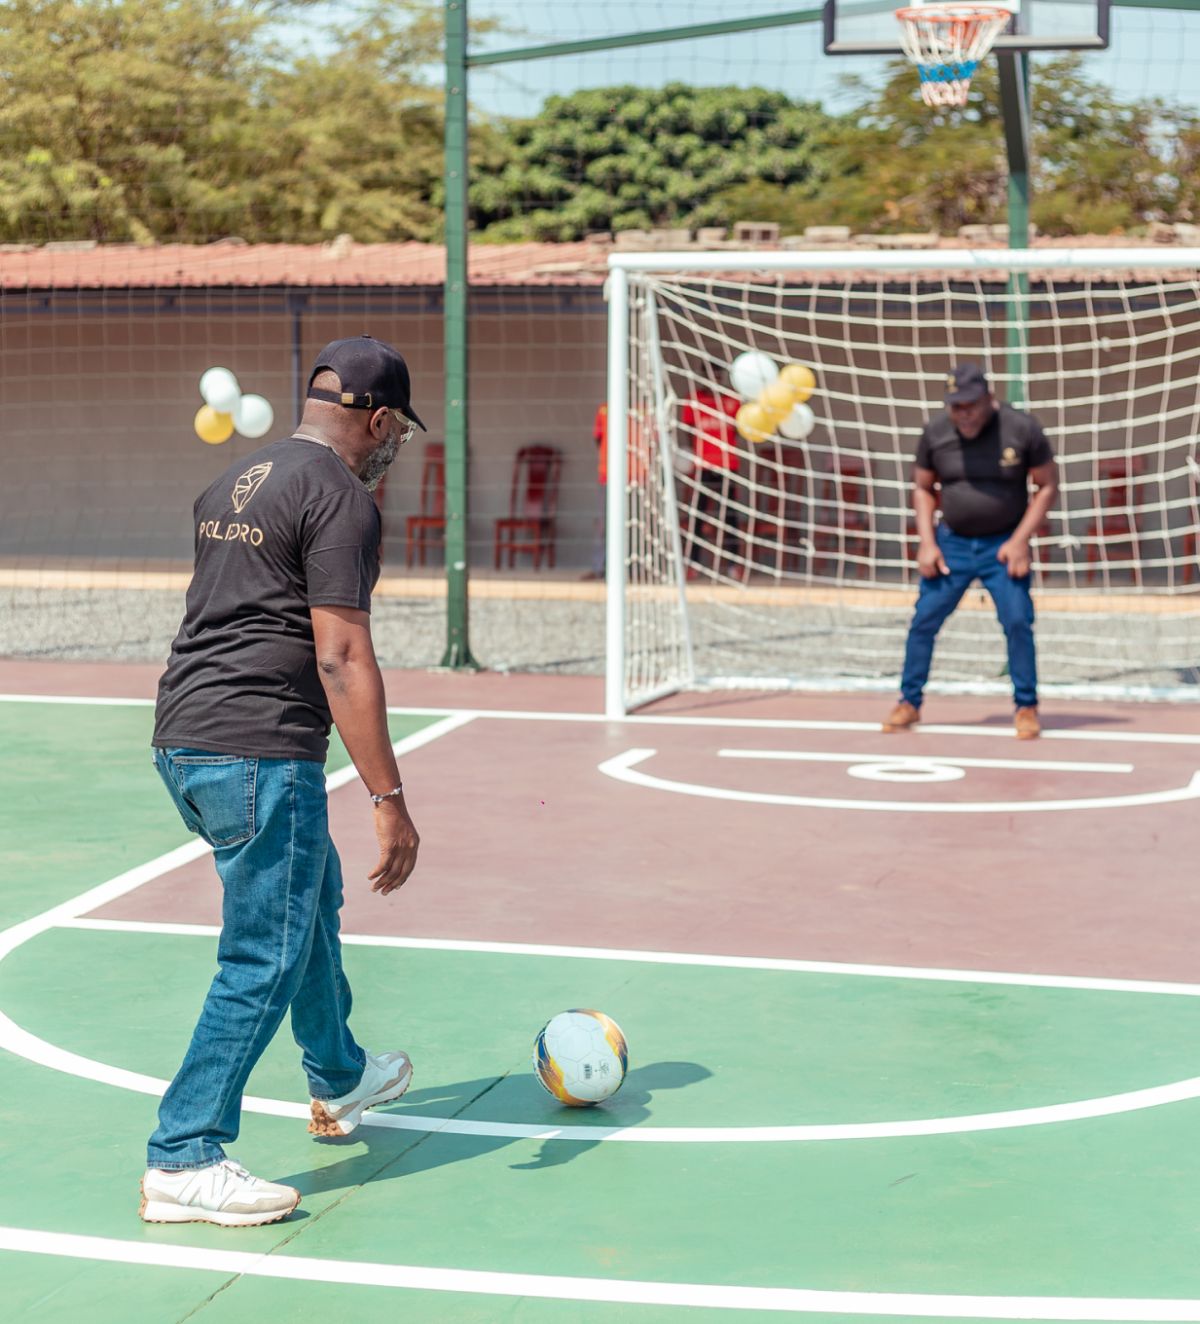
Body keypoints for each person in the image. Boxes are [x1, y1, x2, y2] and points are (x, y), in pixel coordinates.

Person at [141, 336, 425, 1228]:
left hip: (185, 739)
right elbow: (341, 656)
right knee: (263, 950)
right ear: (375, 419)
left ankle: (340, 1074)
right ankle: (184, 1154)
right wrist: (390, 799)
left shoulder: (236, 480)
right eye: (394, 432)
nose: (392, 449)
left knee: (311, 900)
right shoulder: (341, 498)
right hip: (259, 749)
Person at [883, 363, 1058, 740]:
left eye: (970, 405)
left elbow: (1046, 485)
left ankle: (1026, 706)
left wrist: (1020, 540)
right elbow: (923, 488)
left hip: (1003, 544)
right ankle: (909, 702)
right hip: (953, 543)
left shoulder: (1022, 428)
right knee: (924, 620)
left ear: (988, 399)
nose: (963, 413)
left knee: (1016, 621)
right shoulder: (935, 431)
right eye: (955, 406)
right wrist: (927, 542)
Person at [679, 384, 745, 581]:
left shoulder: (731, 400)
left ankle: (734, 565)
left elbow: (739, 430)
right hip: (703, 466)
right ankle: (693, 564)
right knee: (697, 517)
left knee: (730, 517)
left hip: (727, 465)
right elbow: (688, 431)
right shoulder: (694, 400)